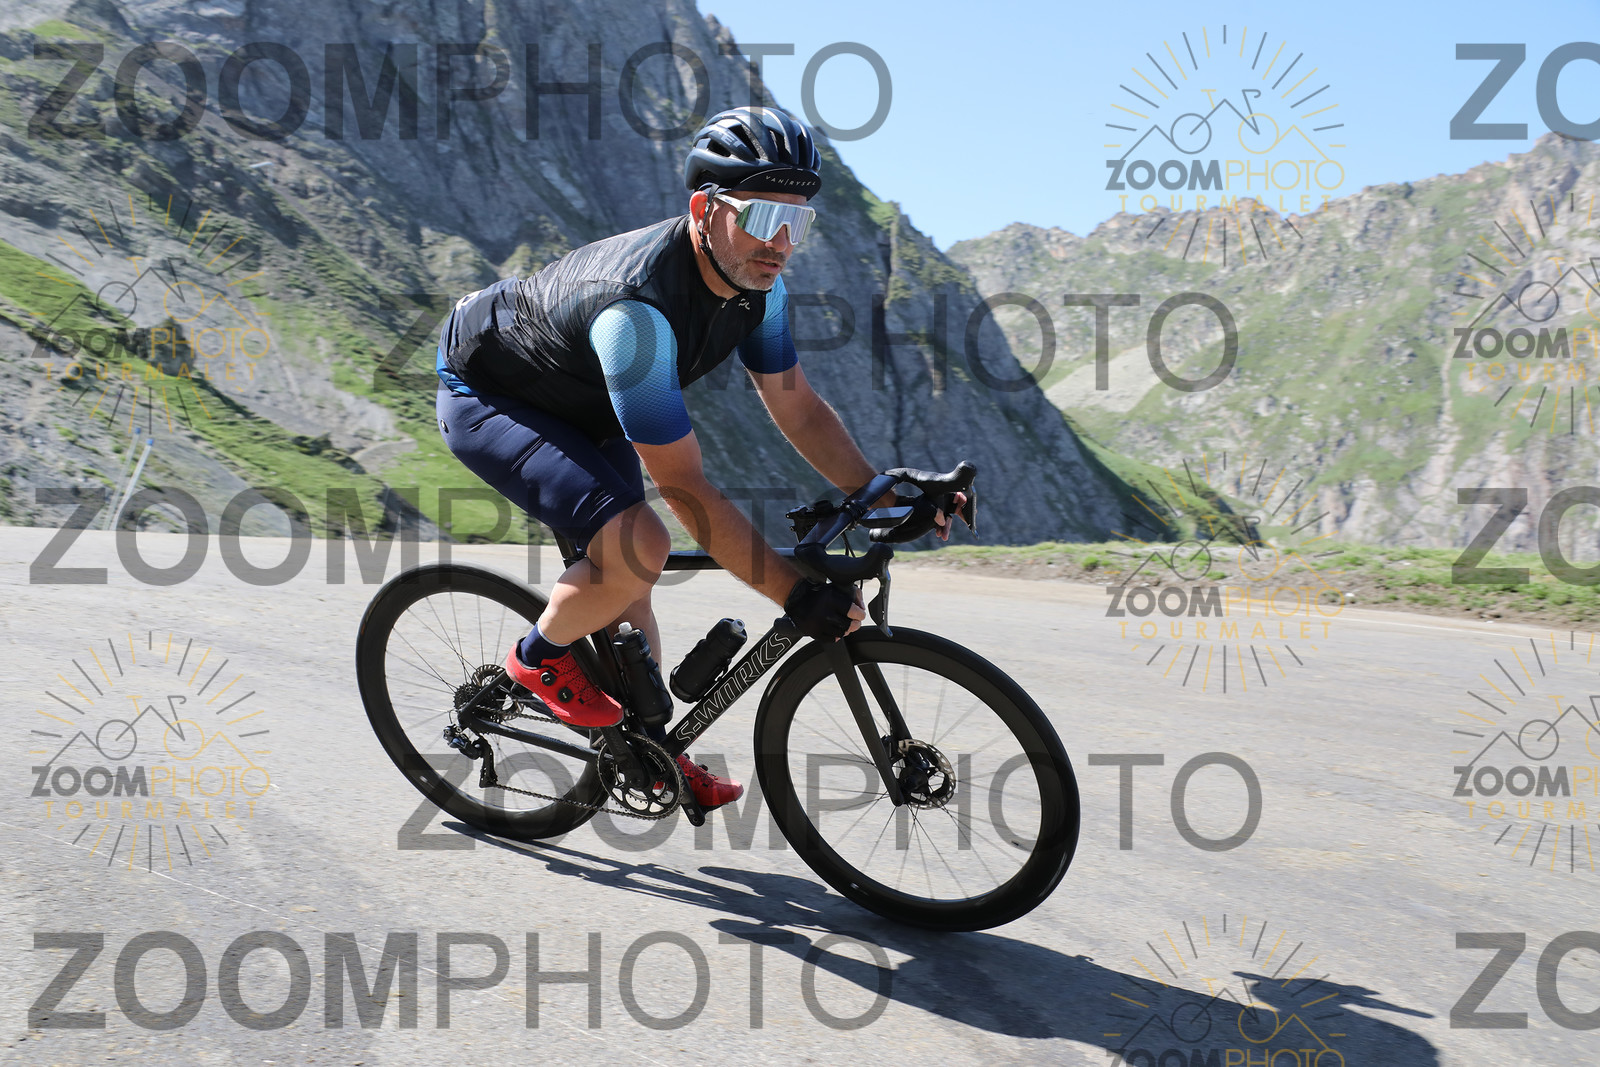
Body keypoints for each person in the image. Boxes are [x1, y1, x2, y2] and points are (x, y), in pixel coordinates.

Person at [435, 106, 958, 810]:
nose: (781, 242)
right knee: (640, 544)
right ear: (704, 211)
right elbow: (684, 487)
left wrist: (884, 492)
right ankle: (537, 661)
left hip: (584, 396)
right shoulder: (636, 316)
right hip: (491, 392)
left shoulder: (757, 285)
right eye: (763, 216)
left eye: (798, 222)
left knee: (627, 590)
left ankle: (648, 752)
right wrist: (794, 594)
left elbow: (799, 407)